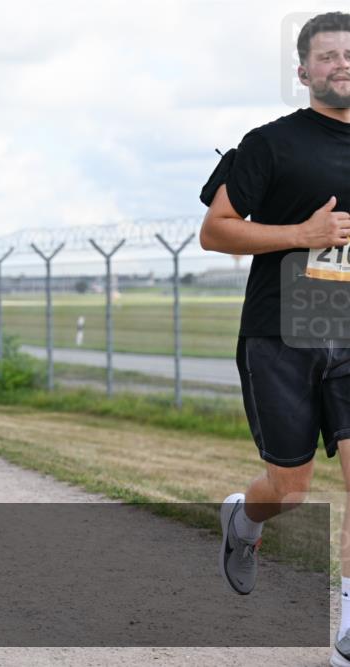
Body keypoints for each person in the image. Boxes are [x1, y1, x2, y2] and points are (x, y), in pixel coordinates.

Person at [198, 12, 350, 665]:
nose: (341, 64)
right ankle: (245, 516)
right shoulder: (271, 144)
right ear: (303, 72)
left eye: (349, 53)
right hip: (282, 329)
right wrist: (301, 235)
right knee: (290, 490)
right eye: (326, 57)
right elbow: (217, 230)